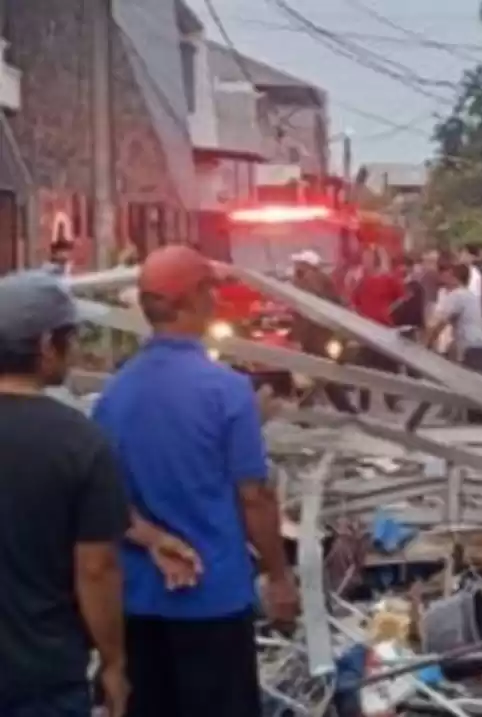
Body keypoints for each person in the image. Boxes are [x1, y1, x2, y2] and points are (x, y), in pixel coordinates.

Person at [92, 246, 299, 717]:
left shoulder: (115, 393)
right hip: (213, 597)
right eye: (211, 290)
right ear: (194, 300)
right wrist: (279, 576)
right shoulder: (226, 391)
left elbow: (106, 501)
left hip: (139, 600)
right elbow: (255, 498)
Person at [0, 271, 130, 717]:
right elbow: (96, 569)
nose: (74, 350)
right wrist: (113, 663)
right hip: (43, 678)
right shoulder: (80, 442)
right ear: (43, 346)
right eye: (69, 338)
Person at [289, 249, 360, 415]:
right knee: (315, 374)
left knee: (317, 374)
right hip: (318, 334)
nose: (295, 266)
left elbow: (310, 309)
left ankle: (341, 409)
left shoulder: (310, 281)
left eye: (299, 263)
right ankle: (339, 409)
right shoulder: (314, 279)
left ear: (307, 265)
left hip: (315, 335)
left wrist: (298, 337)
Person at [424, 262, 482, 423]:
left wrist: (427, 344)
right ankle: (470, 421)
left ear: (455, 277)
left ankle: (462, 419)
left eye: (449, 275)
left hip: (471, 348)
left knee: (467, 389)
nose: (445, 278)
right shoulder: (470, 296)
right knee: (478, 395)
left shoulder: (456, 296)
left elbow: (440, 323)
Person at [349, 246, 404, 412]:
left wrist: (389, 311)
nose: (365, 261)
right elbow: (354, 301)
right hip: (366, 330)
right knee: (363, 367)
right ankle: (363, 403)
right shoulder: (361, 281)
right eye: (364, 258)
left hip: (385, 329)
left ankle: (392, 401)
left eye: (368, 258)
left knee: (389, 368)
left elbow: (402, 298)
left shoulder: (389, 279)